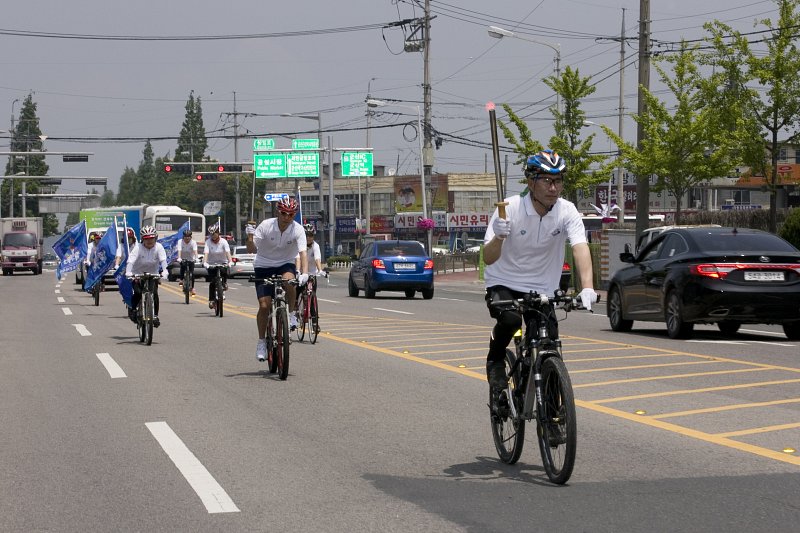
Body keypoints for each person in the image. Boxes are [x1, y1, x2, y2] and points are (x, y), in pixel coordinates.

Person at [483, 149, 598, 390]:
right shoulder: (510, 208)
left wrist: (587, 287)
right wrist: (499, 237)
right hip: (504, 281)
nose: (553, 187)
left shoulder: (567, 210)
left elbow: (580, 247)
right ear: (531, 182)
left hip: (542, 288)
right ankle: (494, 360)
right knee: (511, 320)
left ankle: (554, 415)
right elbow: (489, 258)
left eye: (558, 180)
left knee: (549, 343)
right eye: (547, 180)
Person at [245, 197, 308, 362]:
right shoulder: (266, 225)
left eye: (291, 214)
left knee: (290, 282)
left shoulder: (298, 229)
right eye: (283, 213)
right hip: (263, 265)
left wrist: (305, 272)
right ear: (277, 212)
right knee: (264, 305)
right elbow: (251, 250)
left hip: (285, 263)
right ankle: (261, 341)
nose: (286, 217)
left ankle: (292, 313)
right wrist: (250, 237)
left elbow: (303, 253)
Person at [125, 225, 168, 328]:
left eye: (151, 238)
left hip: (153, 274)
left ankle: (155, 316)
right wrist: (128, 272)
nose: (149, 241)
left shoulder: (159, 247)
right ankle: (133, 309)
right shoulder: (137, 247)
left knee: (154, 294)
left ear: (155, 238)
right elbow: (131, 261)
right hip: (138, 274)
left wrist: (165, 271)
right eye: (146, 239)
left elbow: (163, 261)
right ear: (142, 239)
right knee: (138, 293)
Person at [295, 223, 328, 302]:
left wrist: (320, 270)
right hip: (301, 273)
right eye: (306, 235)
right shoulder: (299, 245)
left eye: (311, 235)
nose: (308, 238)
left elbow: (317, 258)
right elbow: (298, 259)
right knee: (296, 293)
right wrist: (298, 271)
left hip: (312, 274)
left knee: (313, 295)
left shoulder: (315, 246)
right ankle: (295, 308)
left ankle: (313, 311)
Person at [203, 224, 232, 310]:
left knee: (224, 271)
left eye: (214, 233)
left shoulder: (224, 242)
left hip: (223, 262)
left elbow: (228, 253)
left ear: (218, 233)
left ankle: (224, 283)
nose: (213, 235)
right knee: (212, 282)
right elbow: (206, 254)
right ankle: (211, 299)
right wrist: (205, 262)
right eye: (211, 234)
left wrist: (230, 261)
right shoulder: (208, 242)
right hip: (211, 263)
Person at [176, 228, 198, 296]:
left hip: (191, 259)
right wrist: (179, 258)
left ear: (190, 237)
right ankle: (181, 279)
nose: (187, 238)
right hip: (183, 258)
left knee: (192, 273)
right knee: (182, 267)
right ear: (183, 237)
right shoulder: (180, 241)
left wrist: (196, 258)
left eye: (188, 237)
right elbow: (179, 250)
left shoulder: (193, 242)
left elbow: (195, 251)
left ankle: (192, 288)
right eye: (185, 237)